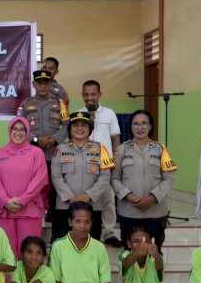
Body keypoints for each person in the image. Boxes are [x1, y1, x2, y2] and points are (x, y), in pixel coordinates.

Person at [111, 110, 177, 249]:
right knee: (129, 252)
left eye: (143, 124)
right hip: (129, 210)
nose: (139, 128)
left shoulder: (161, 150)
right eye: (135, 124)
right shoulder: (121, 150)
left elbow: (169, 178)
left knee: (154, 250)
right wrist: (128, 196)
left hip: (156, 211)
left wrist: (152, 198)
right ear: (130, 127)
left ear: (150, 126)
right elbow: (114, 178)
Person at [0, 116, 48, 253]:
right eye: (15, 128)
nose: (18, 132)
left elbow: (40, 180)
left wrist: (22, 200)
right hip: (5, 211)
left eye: (22, 129)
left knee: (29, 252)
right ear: (9, 130)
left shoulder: (37, 153)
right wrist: (5, 201)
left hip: (29, 210)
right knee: (6, 252)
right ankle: (9, 277)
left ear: (27, 132)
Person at [50, 111, 114, 241]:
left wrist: (88, 195)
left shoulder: (100, 149)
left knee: (91, 245)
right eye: (76, 125)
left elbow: (105, 176)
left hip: (92, 206)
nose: (80, 128)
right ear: (70, 129)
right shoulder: (60, 149)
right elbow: (56, 176)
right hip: (65, 207)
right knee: (63, 246)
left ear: (89, 129)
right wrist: (70, 197)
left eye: (84, 125)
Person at [16, 70, 69, 221]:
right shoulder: (25, 105)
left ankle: (53, 219)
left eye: (46, 82)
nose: (43, 86)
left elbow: (66, 125)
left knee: (54, 188)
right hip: (32, 155)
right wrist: (35, 140)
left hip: (54, 154)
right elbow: (19, 127)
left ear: (51, 84)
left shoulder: (59, 104)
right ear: (34, 84)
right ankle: (34, 215)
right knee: (33, 187)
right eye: (39, 82)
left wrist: (54, 140)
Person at [79, 80, 121, 246]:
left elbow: (115, 138)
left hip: (106, 164)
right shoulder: (78, 113)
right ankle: (86, 231)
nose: (90, 98)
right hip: (85, 165)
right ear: (82, 95)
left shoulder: (109, 113)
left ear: (100, 95)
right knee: (87, 199)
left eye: (93, 94)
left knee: (108, 200)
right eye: (87, 94)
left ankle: (109, 232)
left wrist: (115, 159)